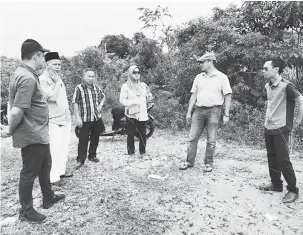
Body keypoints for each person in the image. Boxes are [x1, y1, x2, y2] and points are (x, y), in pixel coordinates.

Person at [1, 39, 65, 223]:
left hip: (39, 132)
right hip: (32, 133)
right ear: (36, 55)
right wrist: (9, 130)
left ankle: (48, 197)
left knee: (45, 166)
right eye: (42, 57)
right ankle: (26, 211)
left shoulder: (23, 73)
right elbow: (17, 110)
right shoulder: (27, 78)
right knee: (29, 172)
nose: (43, 61)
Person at [259, 58, 303, 203]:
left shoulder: (286, 86)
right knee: (271, 156)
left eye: (266, 68)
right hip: (269, 127)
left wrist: (297, 120)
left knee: (283, 159)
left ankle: (293, 190)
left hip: (281, 128)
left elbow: (300, 100)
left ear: (276, 69)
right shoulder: (267, 85)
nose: (263, 71)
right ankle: (276, 184)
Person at [179, 52, 232, 172]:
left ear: (210, 62)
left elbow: (228, 96)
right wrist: (189, 112)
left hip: (214, 110)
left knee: (211, 139)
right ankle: (189, 161)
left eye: (202, 62)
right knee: (192, 138)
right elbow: (193, 95)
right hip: (198, 111)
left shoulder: (222, 77)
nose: (201, 65)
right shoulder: (198, 77)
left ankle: (208, 163)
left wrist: (226, 114)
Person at [39, 52, 73, 184]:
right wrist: (57, 82)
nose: (58, 66)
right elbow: (51, 98)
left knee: (64, 147)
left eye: (59, 64)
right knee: (55, 148)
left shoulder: (58, 77)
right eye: (55, 64)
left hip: (65, 118)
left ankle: (60, 172)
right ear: (47, 65)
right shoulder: (43, 79)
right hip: (53, 119)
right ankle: (53, 177)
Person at [72, 68, 105, 169]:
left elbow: (103, 97)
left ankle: (92, 155)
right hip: (85, 118)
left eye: (92, 76)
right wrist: (77, 117)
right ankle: (80, 159)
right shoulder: (79, 88)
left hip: (96, 118)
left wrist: (100, 106)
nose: (91, 78)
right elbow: (75, 102)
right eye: (89, 76)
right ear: (84, 77)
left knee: (95, 138)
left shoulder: (96, 88)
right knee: (83, 140)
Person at [119, 65, 153, 156]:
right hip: (131, 113)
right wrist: (133, 102)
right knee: (131, 134)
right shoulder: (126, 86)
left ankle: (142, 152)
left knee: (142, 133)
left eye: (138, 72)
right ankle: (131, 153)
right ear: (130, 74)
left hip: (142, 113)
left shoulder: (143, 85)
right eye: (134, 72)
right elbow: (121, 100)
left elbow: (149, 96)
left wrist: (149, 96)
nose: (137, 74)